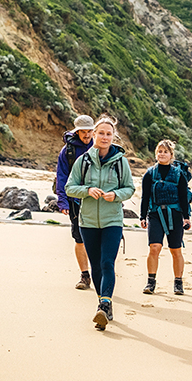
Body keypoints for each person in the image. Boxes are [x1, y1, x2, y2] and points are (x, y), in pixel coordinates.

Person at [65, 115, 135, 330]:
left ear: (113, 137)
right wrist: (87, 190)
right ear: (93, 135)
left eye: (108, 133)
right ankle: (103, 303)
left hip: (112, 220)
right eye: (101, 133)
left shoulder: (120, 161)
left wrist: (116, 195)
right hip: (87, 222)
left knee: (107, 262)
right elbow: (70, 187)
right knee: (95, 265)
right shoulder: (83, 161)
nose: (105, 137)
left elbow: (130, 188)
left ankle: (104, 304)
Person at [139, 139, 191, 296]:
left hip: (175, 214)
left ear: (171, 155)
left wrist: (186, 217)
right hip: (155, 214)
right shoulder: (149, 174)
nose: (162, 154)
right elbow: (145, 196)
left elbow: (183, 197)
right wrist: (142, 216)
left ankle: (178, 282)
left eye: (165, 152)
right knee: (154, 247)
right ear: (156, 154)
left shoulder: (178, 174)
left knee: (175, 250)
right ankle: (151, 282)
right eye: (159, 151)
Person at [54, 114, 95, 290]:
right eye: (83, 132)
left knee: (97, 239)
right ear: (76, 132)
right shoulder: (67, 151)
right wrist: (62, 202)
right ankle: (85, 275)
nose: (86, 135)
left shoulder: (101, 146)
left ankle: (100, 272)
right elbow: (61, 177)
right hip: (74, 201)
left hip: (98, 200)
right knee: (79, 239)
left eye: (89, 131)